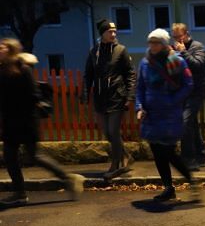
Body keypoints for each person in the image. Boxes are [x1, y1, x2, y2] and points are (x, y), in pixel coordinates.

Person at [0, 39, 84, 206]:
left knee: (34, 156)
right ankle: (20, 193)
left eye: (2, 47)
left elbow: (34, 95)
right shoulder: (3, 70)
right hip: (10, 121)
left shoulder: (23, 69)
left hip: (26, 120)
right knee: (10, 157)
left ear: (10, 50)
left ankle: (68, 178)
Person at [135, 29, 194, 201]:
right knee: (157, 152)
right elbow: (140, 87)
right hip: (151, 115)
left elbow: (188, 84)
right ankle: (168, 187)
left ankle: (190, 179)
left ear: (163, 44)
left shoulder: (176, 61)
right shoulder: (145, 62)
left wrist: (173, 100)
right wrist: (139, 107)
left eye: (156, 43)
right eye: (150, 42)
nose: (152, 46)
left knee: (168, 152)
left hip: (169, 115)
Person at [82, 19, 136, 180]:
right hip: (100, 98)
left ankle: (115, 165)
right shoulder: (94, 52)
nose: (113, 34)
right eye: (109, 31)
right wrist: (85, 93)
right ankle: (126, 156)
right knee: (107, 133)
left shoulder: (121, 50)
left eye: (114, 31)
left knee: (113, 131)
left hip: (117, 96)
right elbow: (88, 75)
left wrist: (130, 95)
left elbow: (130, 74)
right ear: (102, 33)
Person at [171, 23, 205, 171]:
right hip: (182, 92)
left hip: (196, 92)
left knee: (185, 123)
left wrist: (183, 52)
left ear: (186, 34)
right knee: (191, 124)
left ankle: (188, 160)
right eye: (174, 37)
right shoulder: (174, 49)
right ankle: (200, 156)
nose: (176, 40)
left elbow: (198, 65)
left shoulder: (197, 46)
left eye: (179, 36)